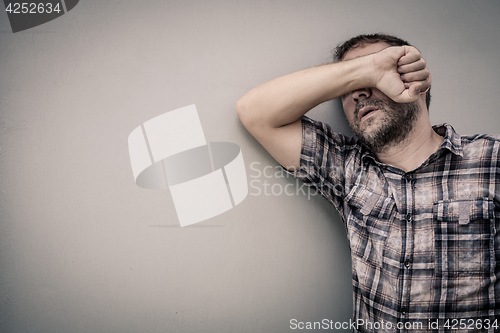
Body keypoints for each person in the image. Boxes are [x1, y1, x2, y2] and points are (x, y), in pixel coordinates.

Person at [236, 33, 499, 332]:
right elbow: (255, 112)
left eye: (378, 73)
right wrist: (367, 70)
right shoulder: (346, 168)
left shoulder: (491, 159)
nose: (357, 94)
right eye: (348, 87)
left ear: (415, 82)